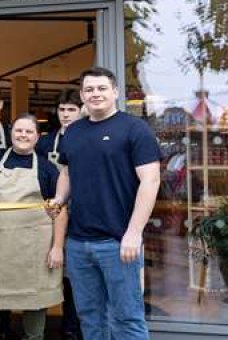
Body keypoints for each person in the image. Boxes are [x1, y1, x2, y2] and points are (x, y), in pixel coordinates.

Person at [47, 67, 162, 340]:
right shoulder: (73, 132)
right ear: (83, 95)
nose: (95, 94)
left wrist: (133, 233)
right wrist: (60, 198)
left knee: (127, 320)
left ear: (115, 92)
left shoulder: (135, 129)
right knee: (90, 319)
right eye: (89, 89)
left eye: (101, 88)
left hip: (119, 243)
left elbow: (151, 181)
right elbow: (66, 172)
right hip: (78, 244)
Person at [0, 114, 66, 340]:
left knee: (35, 326)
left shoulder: (46, 168)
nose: (23, 135)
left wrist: (57, 247)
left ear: (37, 137)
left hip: (35, 251)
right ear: (11, 134)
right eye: (18, 131)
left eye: (28, 132)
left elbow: (60, 209)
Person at [34, 89, 82, 340]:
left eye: (71, 109)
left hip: (81, 213)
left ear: (81, 110)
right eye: (62, 110)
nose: (66, 114)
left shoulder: (86, 137)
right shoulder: (44, 142)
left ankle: (71, 328)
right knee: (51, 269)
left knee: (74, 274)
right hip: (49, 213)